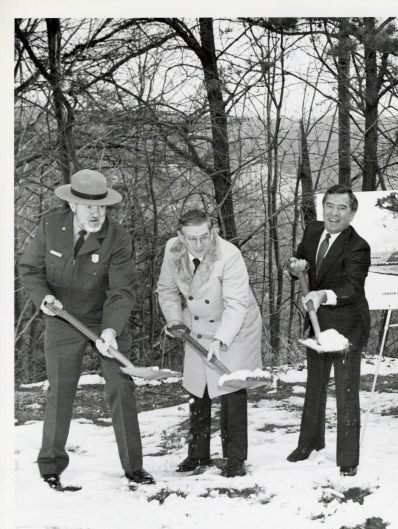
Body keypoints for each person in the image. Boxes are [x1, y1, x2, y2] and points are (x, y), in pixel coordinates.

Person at [19, 169, 155, 489]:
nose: (96, 213)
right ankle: (50, 465)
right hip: (62, 317)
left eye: (101, 206)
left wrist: (110, 331)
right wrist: (44, 297)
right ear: (73, 205)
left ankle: (134, 468)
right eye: (88, 206)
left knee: (122, 388)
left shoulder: (118, 237)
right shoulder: (51, 226)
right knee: (60, 391)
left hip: (106, 319)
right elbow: (30, 269)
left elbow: (121, 291)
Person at [156, 210, 263, 478]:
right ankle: (198, 454)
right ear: (181, 236)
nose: (200, 244)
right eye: (192, 239)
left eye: (205, 236)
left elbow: (236, 303)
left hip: (235, 325)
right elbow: (167, 290)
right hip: (197, 322)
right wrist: (174, 320)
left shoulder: (229, 254)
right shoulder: (173, 250)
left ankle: (235, 458)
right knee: (198, 387)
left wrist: (221, 339)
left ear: (212, 231)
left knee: (231, 386)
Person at [286, 185, 371, 477]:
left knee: (346, 392)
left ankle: (348, 458)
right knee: (315, 386)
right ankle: (310, 442)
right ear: (323, 207)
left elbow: (352, 288)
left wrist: (323, 294)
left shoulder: (358, 246)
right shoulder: (312, 230)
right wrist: (296, 265)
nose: (334, 213)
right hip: (317, 322)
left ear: (352, 212)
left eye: (342, 208)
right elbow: (301, 260)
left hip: (348, 327)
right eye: (330, 206)